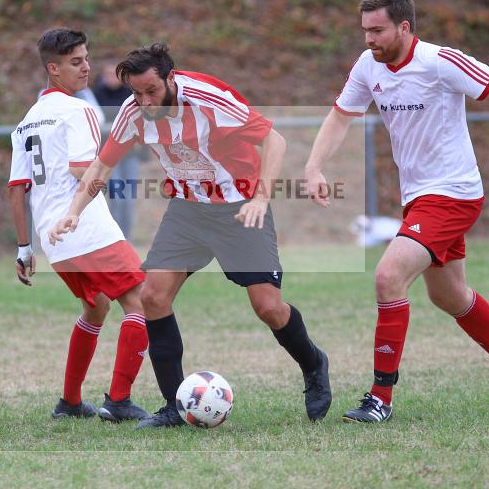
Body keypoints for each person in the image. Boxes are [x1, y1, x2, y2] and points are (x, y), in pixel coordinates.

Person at [304, 0, 489, 423]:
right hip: (419, 197)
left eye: (377, 30)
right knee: (449, 295)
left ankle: (379, 398)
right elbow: (340, 116)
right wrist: (314, 166)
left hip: (453, 192)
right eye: (364, 31)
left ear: (404, 28)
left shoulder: (440, 61)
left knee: (388, 276)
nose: (368, 39)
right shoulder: (367, 66)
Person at [49, 43, 332, 428]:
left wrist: (260, 199)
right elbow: (101, 165)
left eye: (151, 91)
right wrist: (73, 212)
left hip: (239, 206)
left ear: (170, 77)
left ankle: (314, 364)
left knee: (268, 307)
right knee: (152, 296)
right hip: (188, 210)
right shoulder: (134, 113)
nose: (144, 101)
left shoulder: (208, 97)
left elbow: (274, 140)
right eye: (135, 92)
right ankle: (174, 406)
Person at [8, 28, 150, 423]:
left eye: (86, 58)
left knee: (95, 308)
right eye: (75, 62)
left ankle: (70, 402)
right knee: (143, 300)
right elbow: (79, 168)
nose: (85, 67)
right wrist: (110, 162)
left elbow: (16, 191)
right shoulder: (80, 109)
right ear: (52, 69)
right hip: (84, 226)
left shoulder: (26, 122)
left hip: (53, 240)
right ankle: (119, 401)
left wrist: (24, 249)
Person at [92, 64, 139, 241]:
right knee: (117, 199)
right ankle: (115, 238)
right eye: (107, 75)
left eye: (114, 75)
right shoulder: (96, 95)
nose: (111, 78)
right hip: (109, 155)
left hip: (130, 154)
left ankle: (126, 238)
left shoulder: (130, 94)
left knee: (129, 200)